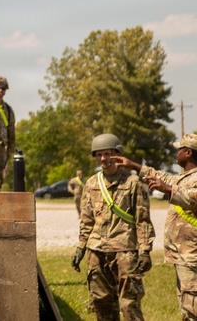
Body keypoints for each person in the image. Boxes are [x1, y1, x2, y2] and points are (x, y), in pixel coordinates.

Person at [113, 134, 197, 320]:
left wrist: (170, 190)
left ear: (188, 153)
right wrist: (135, 166)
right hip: (187, 256)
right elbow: (163, 177)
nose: (176, 152)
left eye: (179, 149)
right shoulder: (186, 177)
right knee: (190, 309)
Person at [71, 134, 153, 320]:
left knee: (129, 304)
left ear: (117, 154)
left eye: (107, 154)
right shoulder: (91, 183)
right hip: (96, 251)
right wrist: (80, 247)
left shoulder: (133, 183)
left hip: (125, 251)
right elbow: (87, 220)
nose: (103, 159)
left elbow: (143, 220)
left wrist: (145, 250)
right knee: (101, 303)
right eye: (99, 155)